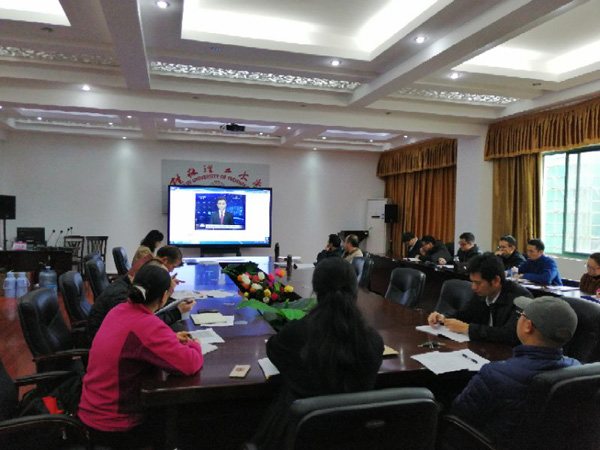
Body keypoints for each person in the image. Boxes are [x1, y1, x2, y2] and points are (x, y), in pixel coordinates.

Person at [252, 258, 383, 450]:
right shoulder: (373, 342)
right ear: (355, 290)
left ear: (316, 291)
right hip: (352, 438)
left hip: (296, 440)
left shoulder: (295, 334)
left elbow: (273, 349)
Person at [78, 264, 203, 449]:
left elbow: (139, 341)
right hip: (115, 425)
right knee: (189, 424)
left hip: (92, 411)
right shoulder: (147, 325)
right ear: (164, 296)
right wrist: (195, 344)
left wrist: (170, 338)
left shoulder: (119, 310)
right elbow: (189, 364)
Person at [450, 296, 580, 448]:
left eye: (521, 315)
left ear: (528, 326)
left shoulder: (495, 374)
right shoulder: (578, 371)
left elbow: (459, 414)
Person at [85, 245, 194, 345]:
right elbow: (143, 327)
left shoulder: (128, 286)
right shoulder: (121, 297)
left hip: (116, 340)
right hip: (106, 345)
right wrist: (176, 312)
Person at [428, 252, 533, 345]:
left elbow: (511, 335)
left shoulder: (521, 298)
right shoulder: (482, 293)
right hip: (484, 348)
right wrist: (443, 317)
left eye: (478, 283)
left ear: (496, 281)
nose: (473, 287)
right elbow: (465, 314)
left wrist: (468, 329)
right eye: (472, 282)